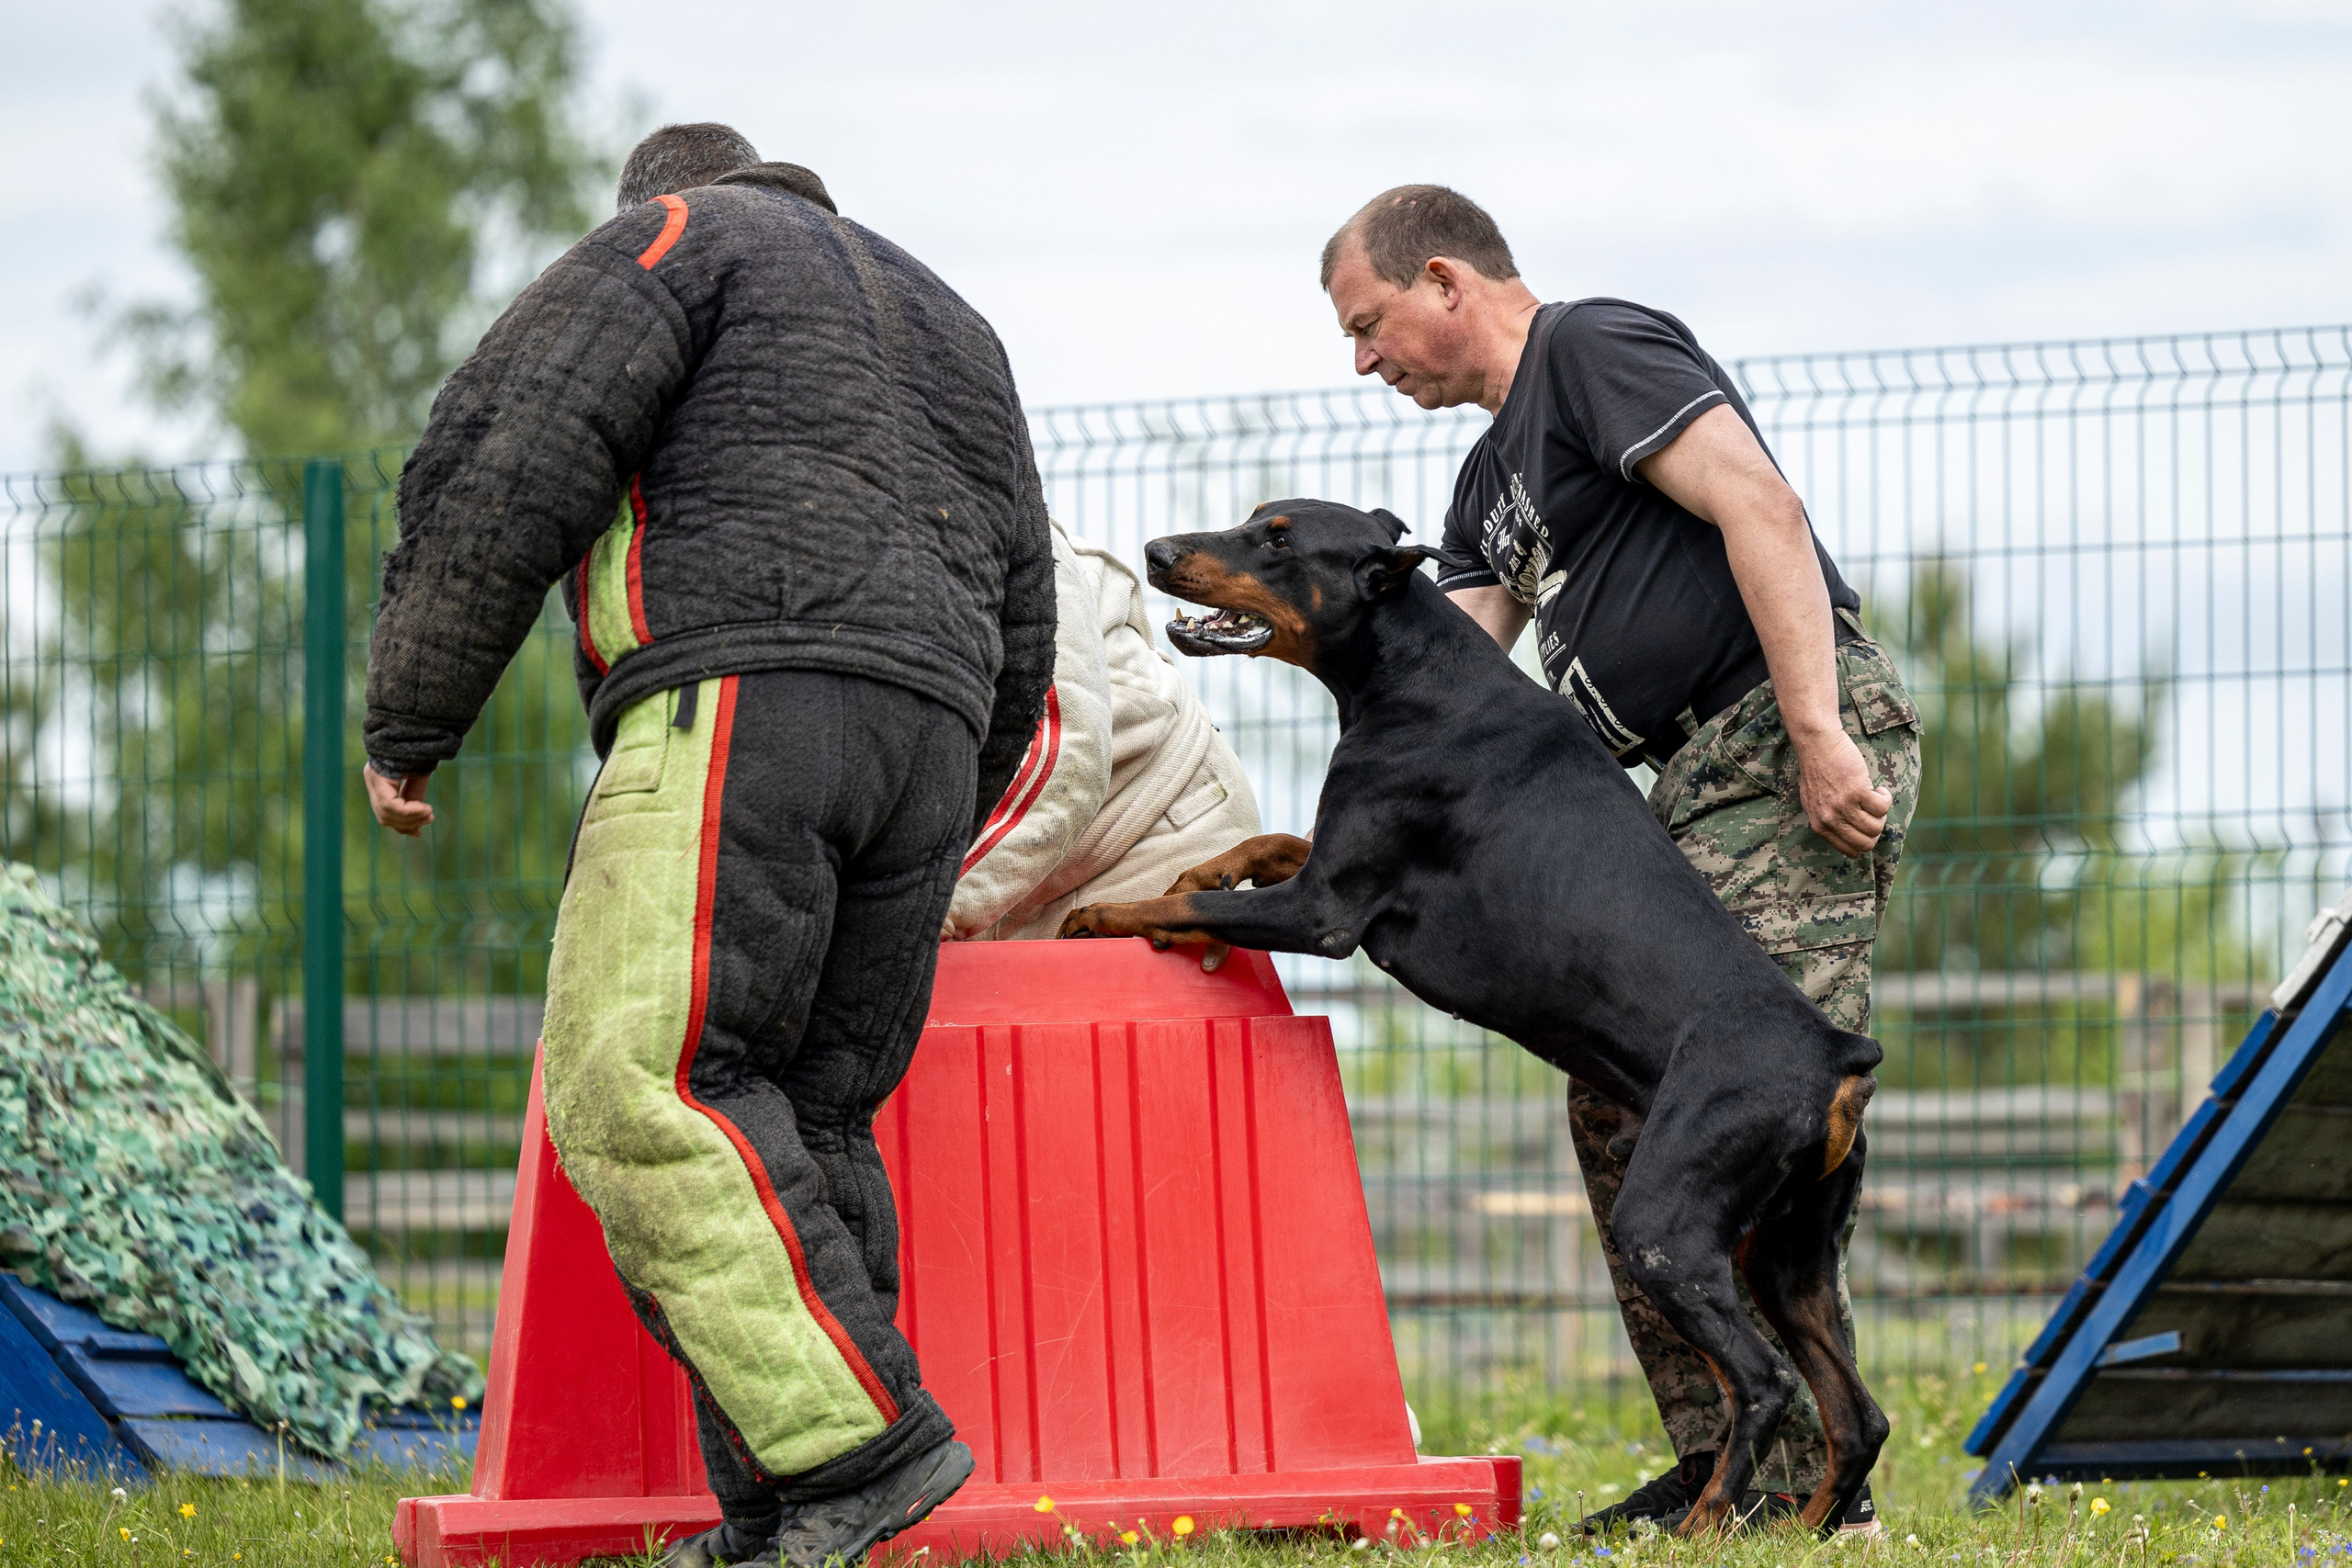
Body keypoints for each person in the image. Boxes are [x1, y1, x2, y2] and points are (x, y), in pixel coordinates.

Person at [362, 123, 1055, 1568]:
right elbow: (1025, 587)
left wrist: (412, 712)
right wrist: (957, 786)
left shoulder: (676, 241)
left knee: (639, 1080)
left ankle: (863, 1452)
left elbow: (509, 451)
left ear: (658, 191)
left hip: (741, 695)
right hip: (931, 738)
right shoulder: (953, 322)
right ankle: (786, 1510)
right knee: (804, 1114)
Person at [1319, 186, 1920, 1535]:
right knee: (1621, 1100)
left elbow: (1759, 501)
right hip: (1683, 780)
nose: (1364, 362)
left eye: (1369, 325)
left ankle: (1819, 1479)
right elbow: (1443, 687)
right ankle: (1727, 1452)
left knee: (1755, 1087)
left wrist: (1819, 731)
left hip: (1771, 735)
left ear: (1444, 281)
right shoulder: (1487, 481)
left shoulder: (1590, 349)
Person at [944, 516, 1261, 952]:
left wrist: (939, 903)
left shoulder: (1017, 548)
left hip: (1162, 839)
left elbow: (1067, 752)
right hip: (1058, 856)